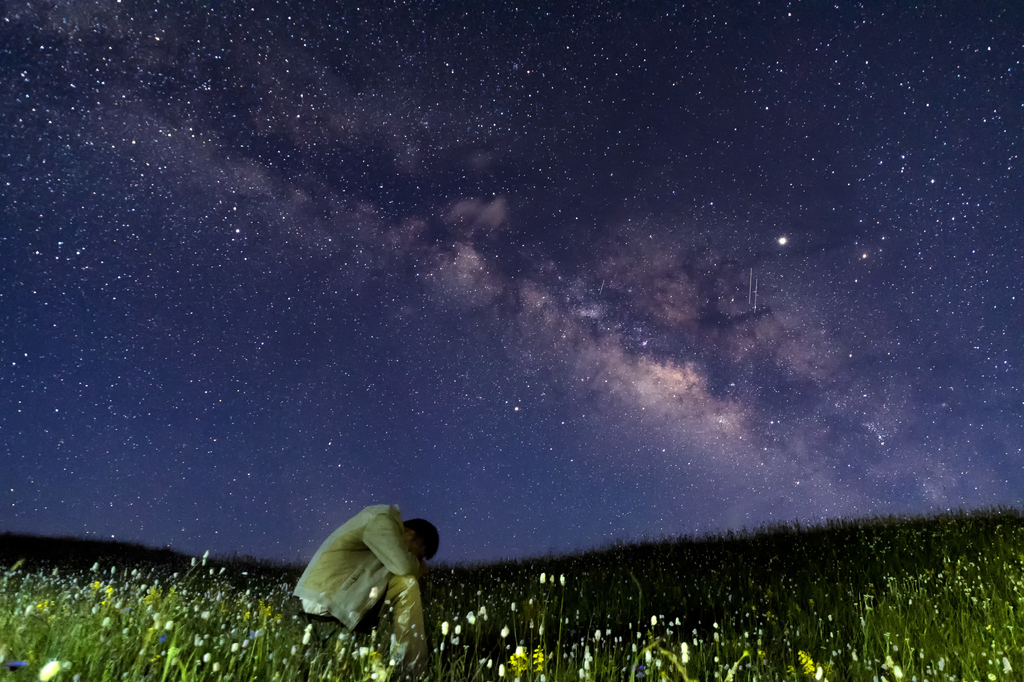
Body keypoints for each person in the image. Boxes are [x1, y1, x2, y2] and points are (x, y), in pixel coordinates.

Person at [293, 504, 439, 678]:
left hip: (344, 593)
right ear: (410, 534)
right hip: (326, 596)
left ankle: (408, 667)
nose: (416, 559)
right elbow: (404, 565)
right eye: (418, 555)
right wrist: (417, 566)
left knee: (404, 581)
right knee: (407, 581)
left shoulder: (386, 526)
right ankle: (410, 671)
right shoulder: (381, 520)